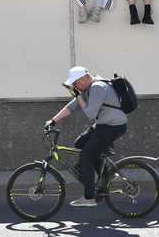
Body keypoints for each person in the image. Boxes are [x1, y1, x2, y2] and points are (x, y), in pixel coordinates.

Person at [45, 66, 127, 207]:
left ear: (82, 79)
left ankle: (89, 198)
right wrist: (53, 120)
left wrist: (77, 94)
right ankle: (109, 174)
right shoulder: (88, 88)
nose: (74, 86)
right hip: (103, 124)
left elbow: (90, 113)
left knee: (86, 156)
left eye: (75, 83)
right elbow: (74, 105)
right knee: (80, 143)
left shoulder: (98, 87)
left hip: (113, 127)